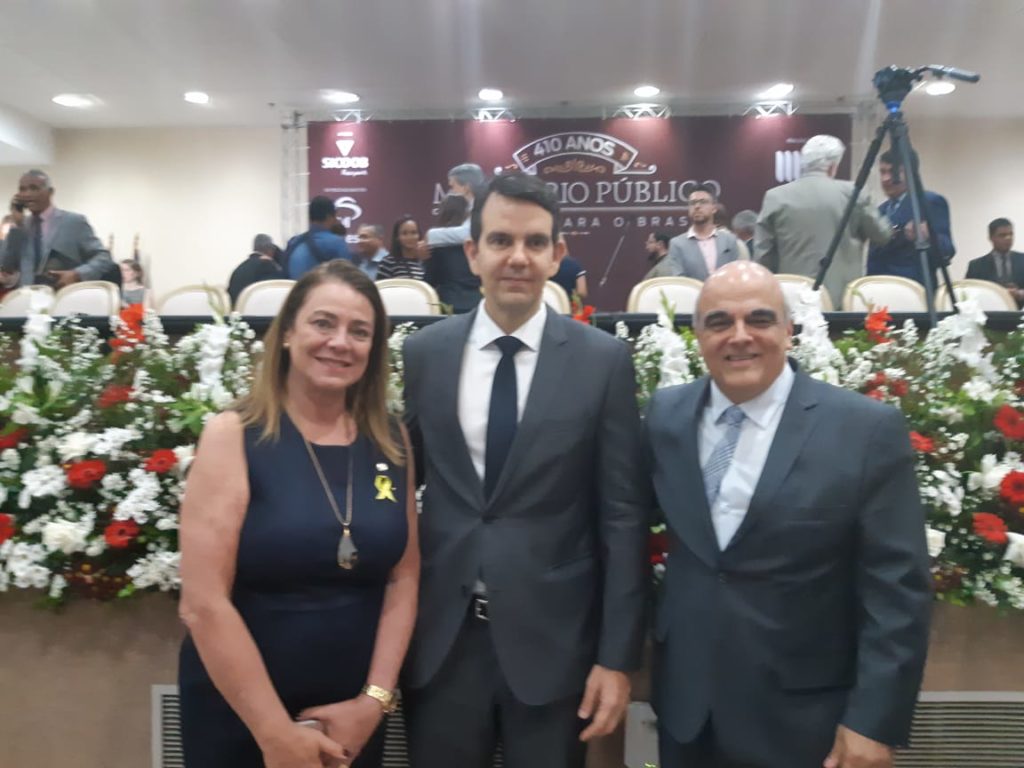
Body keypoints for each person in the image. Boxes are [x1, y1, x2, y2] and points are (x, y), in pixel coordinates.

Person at [402, 172, 650, 768]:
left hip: (556, 648)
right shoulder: (426, 353)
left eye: (535, 243)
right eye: (501, 240)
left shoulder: (603, 362)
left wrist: (616, 659)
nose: (518, 257)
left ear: (557, 255)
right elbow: (404, 485)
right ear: (473, 252)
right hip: (442, 644)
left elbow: (622, 516)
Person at [645, 261, 932, 768]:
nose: (739, 336)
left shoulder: (864, 430)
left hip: (806, 719)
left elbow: (898, 587)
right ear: (698, 336)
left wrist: (873, 720)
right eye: (719, 322)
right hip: (688, 710)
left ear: (788, 330)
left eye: (759, 319)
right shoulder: (665, 415)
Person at [177, 260, 420, 768]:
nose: (340, 342)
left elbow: (404, 576)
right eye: (323, 323)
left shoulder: (391, 439)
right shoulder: (233, 434)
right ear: (287, 332)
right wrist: (275, 734)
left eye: (360, 331)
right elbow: (203, 604)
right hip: (242, 715)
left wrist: (374, 701)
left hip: (352, 717)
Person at [755, 135, 892, 307]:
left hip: (792, 298)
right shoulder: (854, 193)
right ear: (833, 166)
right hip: (842, 300)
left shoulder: (775, 197)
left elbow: (763, 255)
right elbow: (882, 235)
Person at [0, 169, 115, 289]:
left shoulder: (73, 222)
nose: (27, 194)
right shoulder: (21, 228)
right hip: (29, 296)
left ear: (50, 192)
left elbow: (104, 258)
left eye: (34, 188)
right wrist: (17, 226)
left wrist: (77, 274)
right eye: (22, 189)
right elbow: (7, 267)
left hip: (65, 295)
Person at [867, 149, 954, 287]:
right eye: (882, 172)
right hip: (878, 289)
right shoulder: (880, 210)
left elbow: (947, 251)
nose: (885, 178)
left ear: (911, 173)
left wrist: (928, 237)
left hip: (914, 291)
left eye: (893, 172)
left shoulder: (929, 202)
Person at [666, 185, 746, 280]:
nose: (697, 206)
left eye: (703, 202)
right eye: (692, 203)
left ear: (714, 208)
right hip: (691, 289)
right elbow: (678, 279)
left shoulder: (729, 240)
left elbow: (737, 276)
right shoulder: (677, 244)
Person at [423, 193, 481, 313]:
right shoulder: (474, 244)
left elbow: (430, 279)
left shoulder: (436, 244)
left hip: (448, 304)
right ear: (466, 214)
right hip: (476, 302)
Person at [286, 196, 353, 280]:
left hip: (295, 288)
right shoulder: (337, 243)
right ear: (329, 217)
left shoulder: (293, 242)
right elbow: (348, 278)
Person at [965, 217, 1024, 307]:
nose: (1008, 238)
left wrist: (1019, 294)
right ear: (991, 238)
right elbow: (968, 295)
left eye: (1011, 234)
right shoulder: (976, 266)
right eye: (1002, 235)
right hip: (990, 312)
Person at [227, 234, 284, 306]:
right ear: (270, 250)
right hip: (258, 311)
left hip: (237, 311)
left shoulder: (239, 268)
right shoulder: (268, 267)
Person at [376, 216, 427, 281]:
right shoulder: (388, 262)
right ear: (397, 237)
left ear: (419, 235)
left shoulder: (424, 262)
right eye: (404, 233)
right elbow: (381, 286)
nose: (409, 237)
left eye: (413, 233)